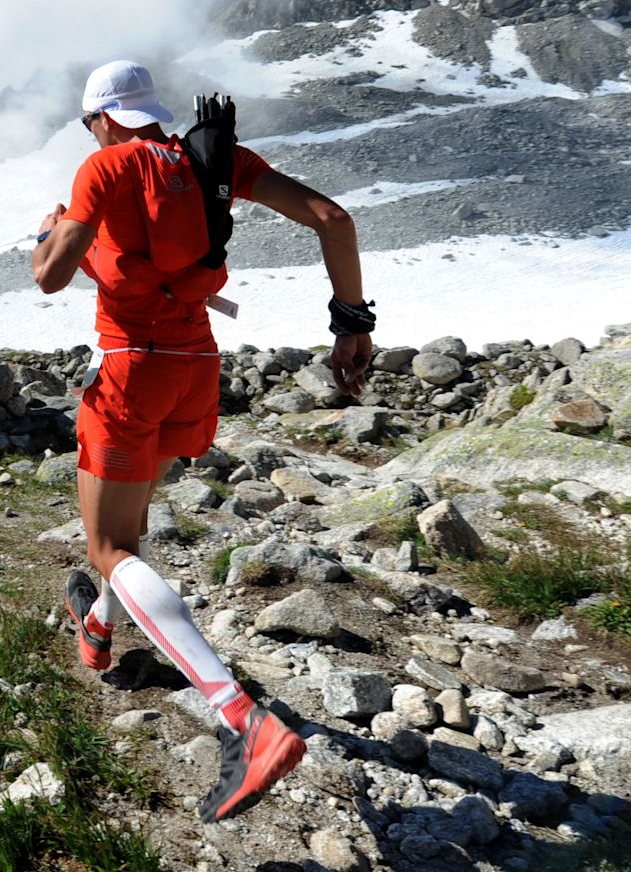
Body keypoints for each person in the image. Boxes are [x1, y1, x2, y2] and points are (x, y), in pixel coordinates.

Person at [30, 59, 374, 823]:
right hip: (196, 369)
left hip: (131, 369)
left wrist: (51, 234)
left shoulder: (106, 165)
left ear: (100, 118)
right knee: (122, 536)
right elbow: (334, 219)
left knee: (108, 547)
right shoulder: (210, 160)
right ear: (149, 110)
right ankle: (95, 624)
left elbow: (50, 276)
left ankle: (241, 720)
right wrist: (353, 324)